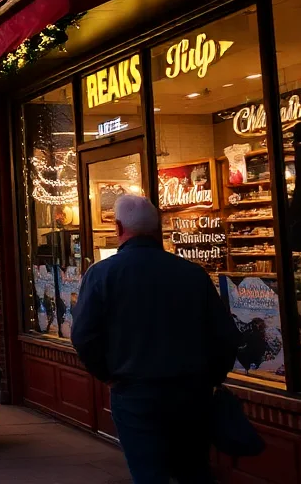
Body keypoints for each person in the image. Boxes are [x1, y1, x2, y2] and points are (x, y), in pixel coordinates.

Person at [71, 195, 240, 483]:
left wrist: (108, 375)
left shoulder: (102, 274)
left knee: (149, 473)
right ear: (157, 228)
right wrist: (211, 378)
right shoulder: (192, 274)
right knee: (194, 471)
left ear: (118, 227)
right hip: (191, 391)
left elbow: (84, 336)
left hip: (135, 391)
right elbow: (225, 335)